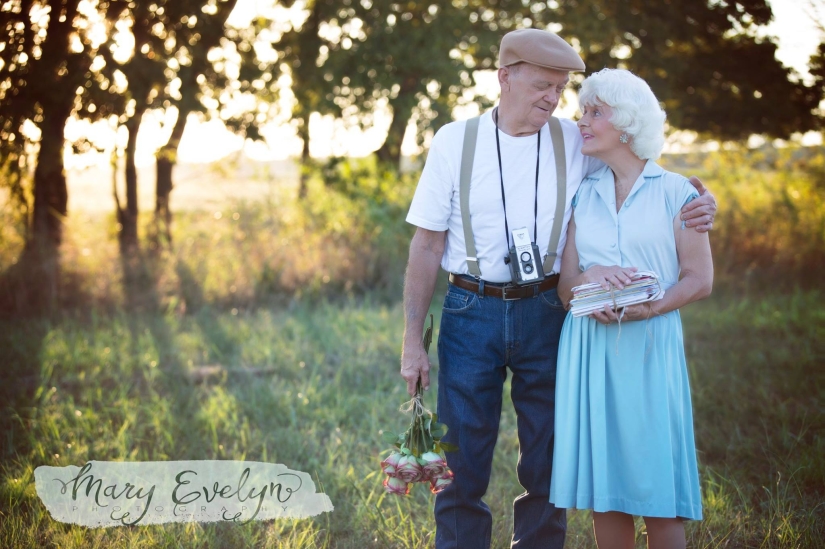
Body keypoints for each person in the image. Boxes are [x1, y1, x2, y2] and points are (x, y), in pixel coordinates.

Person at [400, 29, 716, 549]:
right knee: (461, 459)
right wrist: (413, 341)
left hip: (549, 309)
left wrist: (702, 197)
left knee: (550, 457)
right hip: (469, 307)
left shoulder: (575, 139)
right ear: (505, 77)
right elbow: (427, 244)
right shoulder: (455, 141)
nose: (553, 98)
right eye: (542, 86)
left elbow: (641, 169)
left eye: (560, 88)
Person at [549, 68, 713, 549]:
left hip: (648, 347)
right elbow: (565, 289)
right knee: (607, 491)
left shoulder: (678, 192)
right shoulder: (584, 194)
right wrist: (591, 278)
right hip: (591, 348)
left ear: (626, 124)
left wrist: (651, 307)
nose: (582, 121)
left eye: (594, 112)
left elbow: (699, 280)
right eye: (583, 111)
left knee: (657, 486)